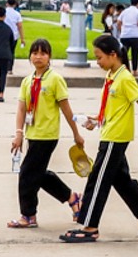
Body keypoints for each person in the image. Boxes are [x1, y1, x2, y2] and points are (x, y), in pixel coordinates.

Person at [61, 33, 138, 243]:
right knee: (121, 180)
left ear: (113, 55)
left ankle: (90, 227)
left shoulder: (125, 78)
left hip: (116, 138)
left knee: (98, 180)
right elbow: (114, 108)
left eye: (99, 57)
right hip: (109, 133)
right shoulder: (112, 76)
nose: (97, 62)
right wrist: (96, 119)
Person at [8, 38, 84, 228]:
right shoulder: (27, 81)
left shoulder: (55, 79)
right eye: (35, 53)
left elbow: (66, 109)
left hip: (48, 135)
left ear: (49, 56)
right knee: (38, 174)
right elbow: (21, 109)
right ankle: (73, 198)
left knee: (26, 174)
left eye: (43, 53)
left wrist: (76, 134)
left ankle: (28, 215)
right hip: (32, 134)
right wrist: (19, 133)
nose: (38, 57)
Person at [118, 0, 138, 75]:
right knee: (135, 54)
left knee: (123, 53)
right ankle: (135, 70)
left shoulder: (124, 12)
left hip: (125, 35)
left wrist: (121, 30)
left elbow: (119, 22)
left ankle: (123, 69)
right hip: (135, 35)